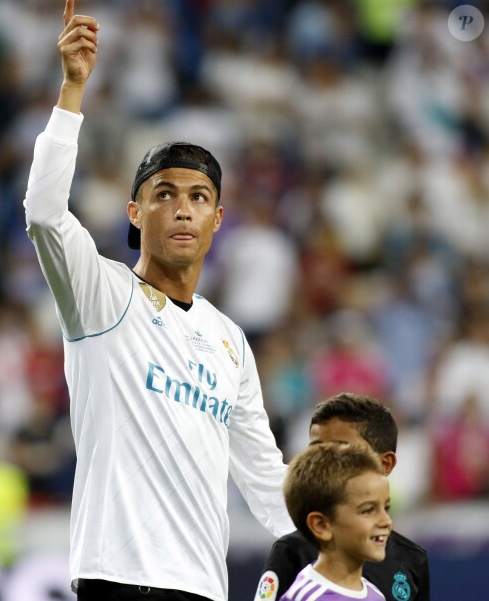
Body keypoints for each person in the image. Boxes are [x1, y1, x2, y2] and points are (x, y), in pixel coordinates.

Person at [23, 2, 293, 600]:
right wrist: (72, 90)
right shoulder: (101, 296)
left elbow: (265, 478)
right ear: (134, 212)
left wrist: (329, 556)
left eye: (199, 197)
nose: (182, 207)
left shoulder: (230, 340)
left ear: (217, 219)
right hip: (118, 580)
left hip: (203, 587)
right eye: (164, 193)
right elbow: (43, 214)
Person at [254, 393, 431, 601]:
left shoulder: (411, 560)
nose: (323, 463)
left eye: (343, 452)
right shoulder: (293, 552)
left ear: (385, 464)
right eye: (316, 451)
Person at [277, 441, 392, 601]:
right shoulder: (307, 598)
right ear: (321, 525)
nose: (386, 521)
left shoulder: (376, 595)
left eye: (386, 508)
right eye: (368, 510)